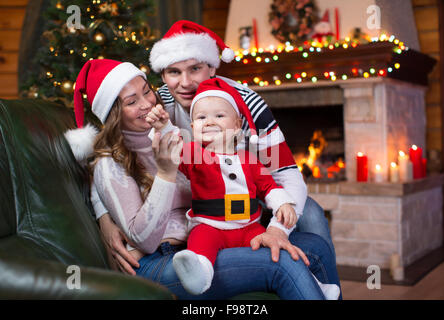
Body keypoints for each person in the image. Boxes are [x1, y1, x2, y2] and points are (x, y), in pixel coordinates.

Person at [66, 58, 340, 300]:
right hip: (160, 259)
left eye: (146, 91)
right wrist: (164, 174)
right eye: (131, 101)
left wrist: (269, 225)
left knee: (314, 245)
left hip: (204, 240)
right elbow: (144, 240)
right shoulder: (110, 163)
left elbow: (226, 181)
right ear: (113, 114)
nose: (148, 102)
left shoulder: (178, 131)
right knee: (281, 263)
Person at [149, 77, 340, 298]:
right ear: (192, 128)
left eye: (219, 116)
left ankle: (316, 284)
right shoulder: (196, 155)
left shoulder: (249, 158)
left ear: (238, 124)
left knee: (277, 248)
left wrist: (282, 202)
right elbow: (173, 147)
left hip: (249, 227)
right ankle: (199, 272)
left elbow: (268, 185)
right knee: (201, 241)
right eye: (201, 118)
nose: (209, 121)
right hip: (211, 225)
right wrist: (163, 127)